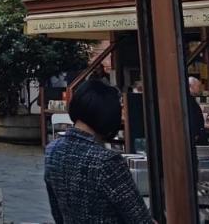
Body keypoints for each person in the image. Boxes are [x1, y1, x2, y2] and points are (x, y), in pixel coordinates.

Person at [44, 78, 152, 224]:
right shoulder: (106, 161)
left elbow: (57, 213)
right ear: (108, 117)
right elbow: (139, 218)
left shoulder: (52, 151)